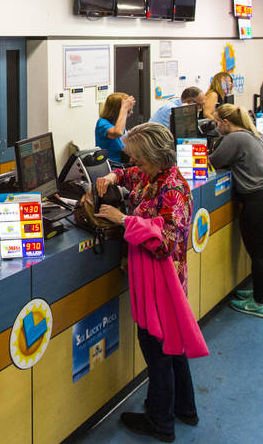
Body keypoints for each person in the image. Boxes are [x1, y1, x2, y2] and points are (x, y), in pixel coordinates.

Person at [92, 123, 206, 441]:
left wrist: (123, 220)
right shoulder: (151, 174)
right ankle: (185, 408)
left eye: (138, 158)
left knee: (157, 351)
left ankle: (161, 422)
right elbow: (129, 176)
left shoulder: (173, 189)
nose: (134, 163)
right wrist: (112, 176)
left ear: (154, 155)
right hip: (156, 282)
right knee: (173, 347)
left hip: (162, 284)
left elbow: (164, 243)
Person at [209, 104, 263, 318]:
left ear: (225, 122)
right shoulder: (253, 135)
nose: (216, 127)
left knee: (258, 256)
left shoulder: (234, 139)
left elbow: (213, 162)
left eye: (217, 123)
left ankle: (259, 303)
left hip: (258, 202)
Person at [96, 92, 136, 161]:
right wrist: (124, 108)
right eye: (129, 111)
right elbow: (117, 132)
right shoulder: (102, 123)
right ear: (118, 111)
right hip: (111, 165)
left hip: (122, 163)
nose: (131, 113)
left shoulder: (118, 123)